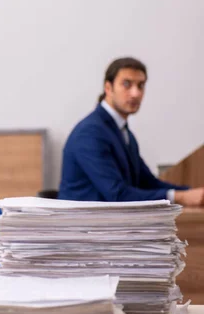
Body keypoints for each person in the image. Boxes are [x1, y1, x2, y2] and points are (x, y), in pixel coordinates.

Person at [59, 57, 204, 205]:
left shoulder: (123, 132)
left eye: (140, 85)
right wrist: (180, 197)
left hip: (110, 223)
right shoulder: (90, 133)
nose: (135, 93)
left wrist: (190, 193)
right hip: (85, 226)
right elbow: (117, 194)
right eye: (126, 84)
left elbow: (147, 182)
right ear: (108, 88)